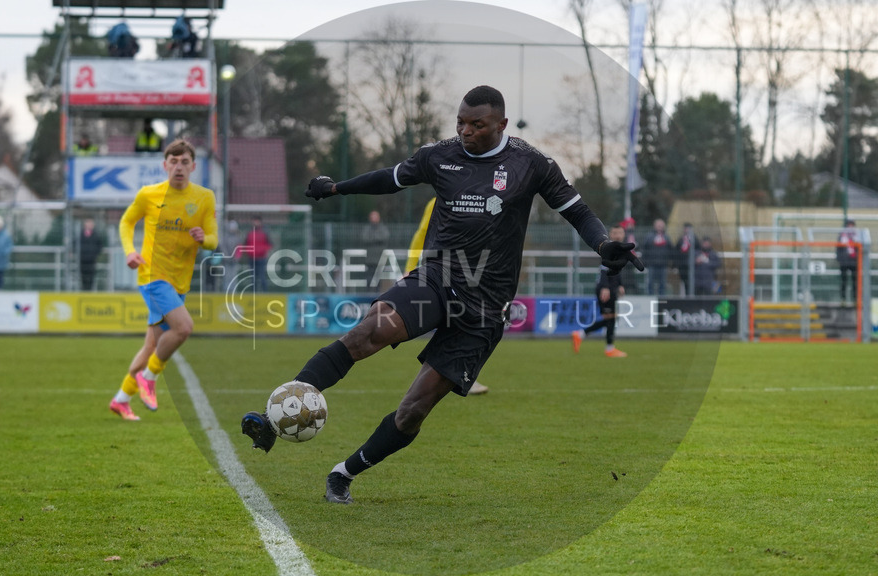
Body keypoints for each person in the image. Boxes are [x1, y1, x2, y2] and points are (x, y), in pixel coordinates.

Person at [239, 85, 643, 504]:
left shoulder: (531, 164)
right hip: (439, 277)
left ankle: (343, 474)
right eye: (461, 123)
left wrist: (603, 246)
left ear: (501, 124)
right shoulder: (440, 155)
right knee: (367, 333)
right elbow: (390, 180)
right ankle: (274, 418)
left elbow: (576, 210)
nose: (466, 131)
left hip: (486, 307)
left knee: (414, 410)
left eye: (477, 125)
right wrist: (337, 188)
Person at [108, 139, 218, 421]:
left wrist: (203, 239)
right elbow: (126, 222)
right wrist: (130, 251)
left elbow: (214, 240)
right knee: (183, 328)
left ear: (193, 166)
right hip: (152, 276)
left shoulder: (205, 197)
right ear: (164, 165)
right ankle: (148, 377)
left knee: (150, 346)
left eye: (184, 162)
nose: (178, 167)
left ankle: (121, 399)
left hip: (179, 282)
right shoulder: (149, 194)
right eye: (173, 161)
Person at [404, 196, 488, 395]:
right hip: (441, 268)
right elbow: (421, 234)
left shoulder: (478, 199)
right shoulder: (437, 200)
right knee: (457, 322)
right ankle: (455, 374)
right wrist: (410, 267)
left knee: (460, 323)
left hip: (468, 270)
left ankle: (456, 374)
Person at [572, 226, 628, 358]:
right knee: (611, 319)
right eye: (615, 233)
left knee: (611, 319)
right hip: (606, 288)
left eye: (620, 232)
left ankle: (581, 335)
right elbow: (603, 268)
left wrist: (620, 285)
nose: (618, 235)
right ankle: (607, 348)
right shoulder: (609, 247)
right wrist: (605, 287)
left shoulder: (619, 248)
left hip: (611, 288)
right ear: (610, 234)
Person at [360, 209, 391, 292]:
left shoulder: (383, 228)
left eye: (375, 216)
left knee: (379, 280)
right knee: (368, 279)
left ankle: (377, 296)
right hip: (369, 259)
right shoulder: (367, 228)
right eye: (372, 216)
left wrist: (373, 238)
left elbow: (385, 237)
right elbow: (364, 238)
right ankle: (367, 295)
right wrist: (377, 239)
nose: (374, 218)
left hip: (380, 258)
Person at [641, 218, 672, 296]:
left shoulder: (666, 237)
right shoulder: (649, 237)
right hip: (652, 264)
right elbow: (644, 249)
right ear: (654, 226)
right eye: (658, 225)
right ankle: (650, 297)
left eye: (661, 225)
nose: (660, 227)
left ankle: (662, 298)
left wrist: (669, 261)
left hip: (663, 264)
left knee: (662, 283)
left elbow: (671, 249)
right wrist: (645, 261)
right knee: (650, 282)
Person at [242, 216, 272, 292]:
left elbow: (270, 244)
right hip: (252, 258)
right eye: (254, 221)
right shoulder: (249, 232)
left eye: (257, 221)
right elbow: (245, 244)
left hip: (261, 258)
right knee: (253, 278)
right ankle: (253, 294)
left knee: (262, 277)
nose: (255, 223)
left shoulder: (265, 232)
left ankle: (265, 293)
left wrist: (262, 250)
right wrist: (248, 252)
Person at [836, 220, 859, 305]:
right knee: (843, 281)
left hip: (854, 262)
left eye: (852, 225)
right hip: (844, 262)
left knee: (855, 282)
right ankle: (843, 299)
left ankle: (855, 299)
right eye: (849, 225)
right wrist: (839, 260)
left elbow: (860, 250)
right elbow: (838, 249)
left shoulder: (857, 236)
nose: (850, 227)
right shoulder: (842, 236)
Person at [79, 218, 104, 291]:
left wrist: (95, 254)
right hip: (82, 259)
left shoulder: (96, 235)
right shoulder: (80, 235)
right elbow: (75, 244)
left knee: (91, 276)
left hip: (92, 260)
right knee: (83, 276)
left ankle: (90, 290)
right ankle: (84, 290)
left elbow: (100, 246)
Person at [674, 222, 696, 296]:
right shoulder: (681, 239)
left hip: (692, 265)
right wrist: (676, 264)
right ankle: (686, 295)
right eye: (686, 228)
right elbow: (676, 251)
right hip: (682, 265)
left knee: (692, 281)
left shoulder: (694, 239)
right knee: (684, 281)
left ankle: (691, 295)